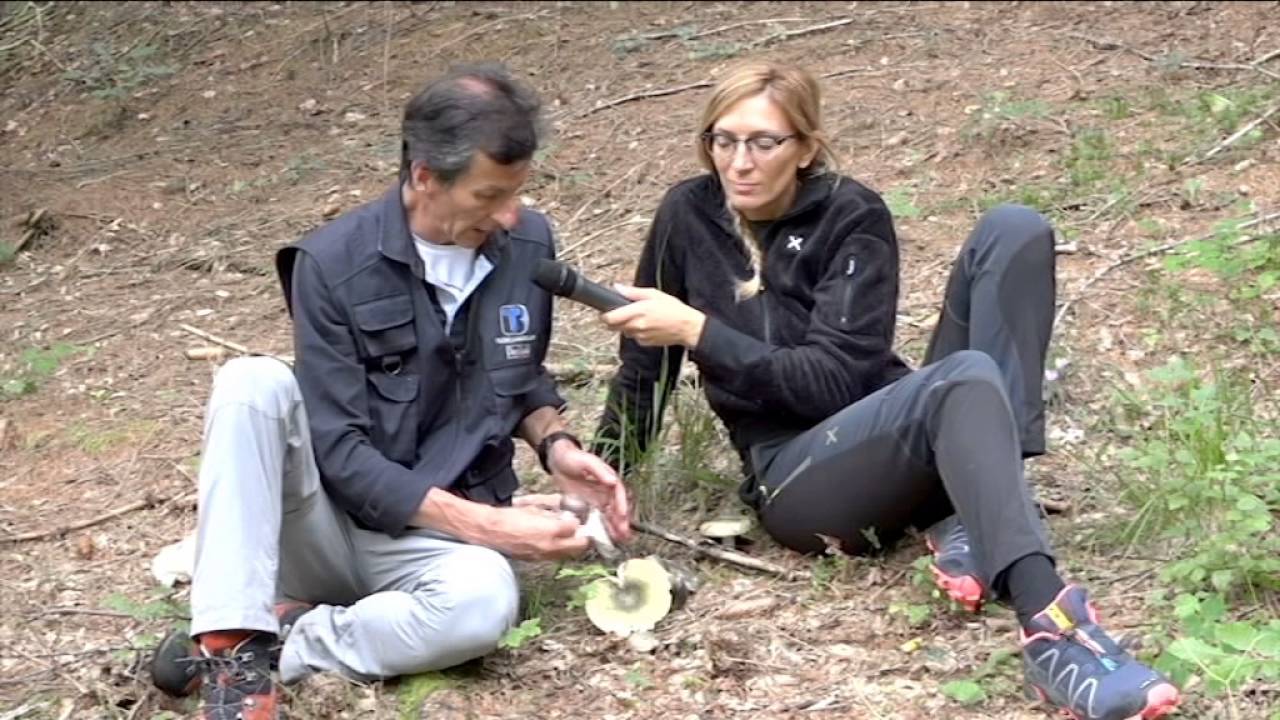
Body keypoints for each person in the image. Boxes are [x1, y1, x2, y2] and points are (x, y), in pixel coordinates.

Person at [589, 61, 1180, 720]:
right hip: (799, 478)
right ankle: (1048, 620)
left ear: (806, 148)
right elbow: (647, 368)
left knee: (1012, 231)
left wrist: (700, 330)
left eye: (764, 142)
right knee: (961, 382)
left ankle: (982, 523)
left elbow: (836, 380)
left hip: (890, 420)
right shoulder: (687, 214)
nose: (739, 162)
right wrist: (599, 477)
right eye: (722, 141)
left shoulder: (851, 212)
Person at [148, 63, 631, 720]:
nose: (510, 214)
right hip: (325, 524)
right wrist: (491, 525)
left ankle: (287, 641)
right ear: (425, 175)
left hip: (434, 546)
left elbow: (518, 378)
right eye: (489, 196)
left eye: (518, 192)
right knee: (249, 382)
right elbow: (339, 450)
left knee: (486, 605)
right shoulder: (332, 263)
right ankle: (233, 647)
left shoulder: (527, 242)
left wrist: (557, 445)